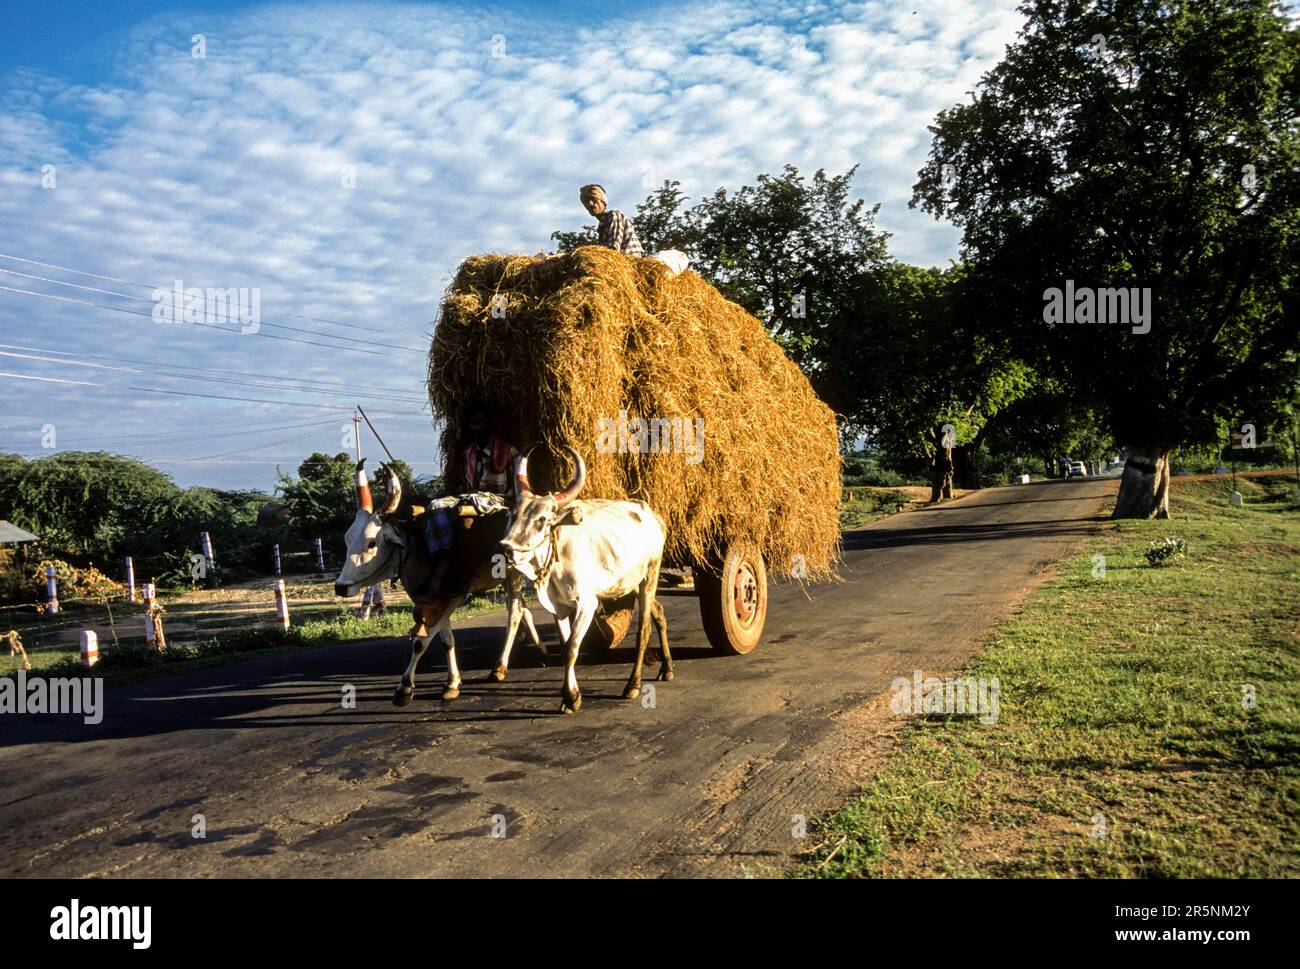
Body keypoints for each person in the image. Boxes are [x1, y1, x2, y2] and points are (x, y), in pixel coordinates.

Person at [580, 184, 643, 257]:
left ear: (603, 201)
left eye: (593, 199)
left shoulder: (613, 215)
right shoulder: (602, 226)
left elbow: (612, 248)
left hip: (628, 262)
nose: (590, 204)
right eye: (586, 201)